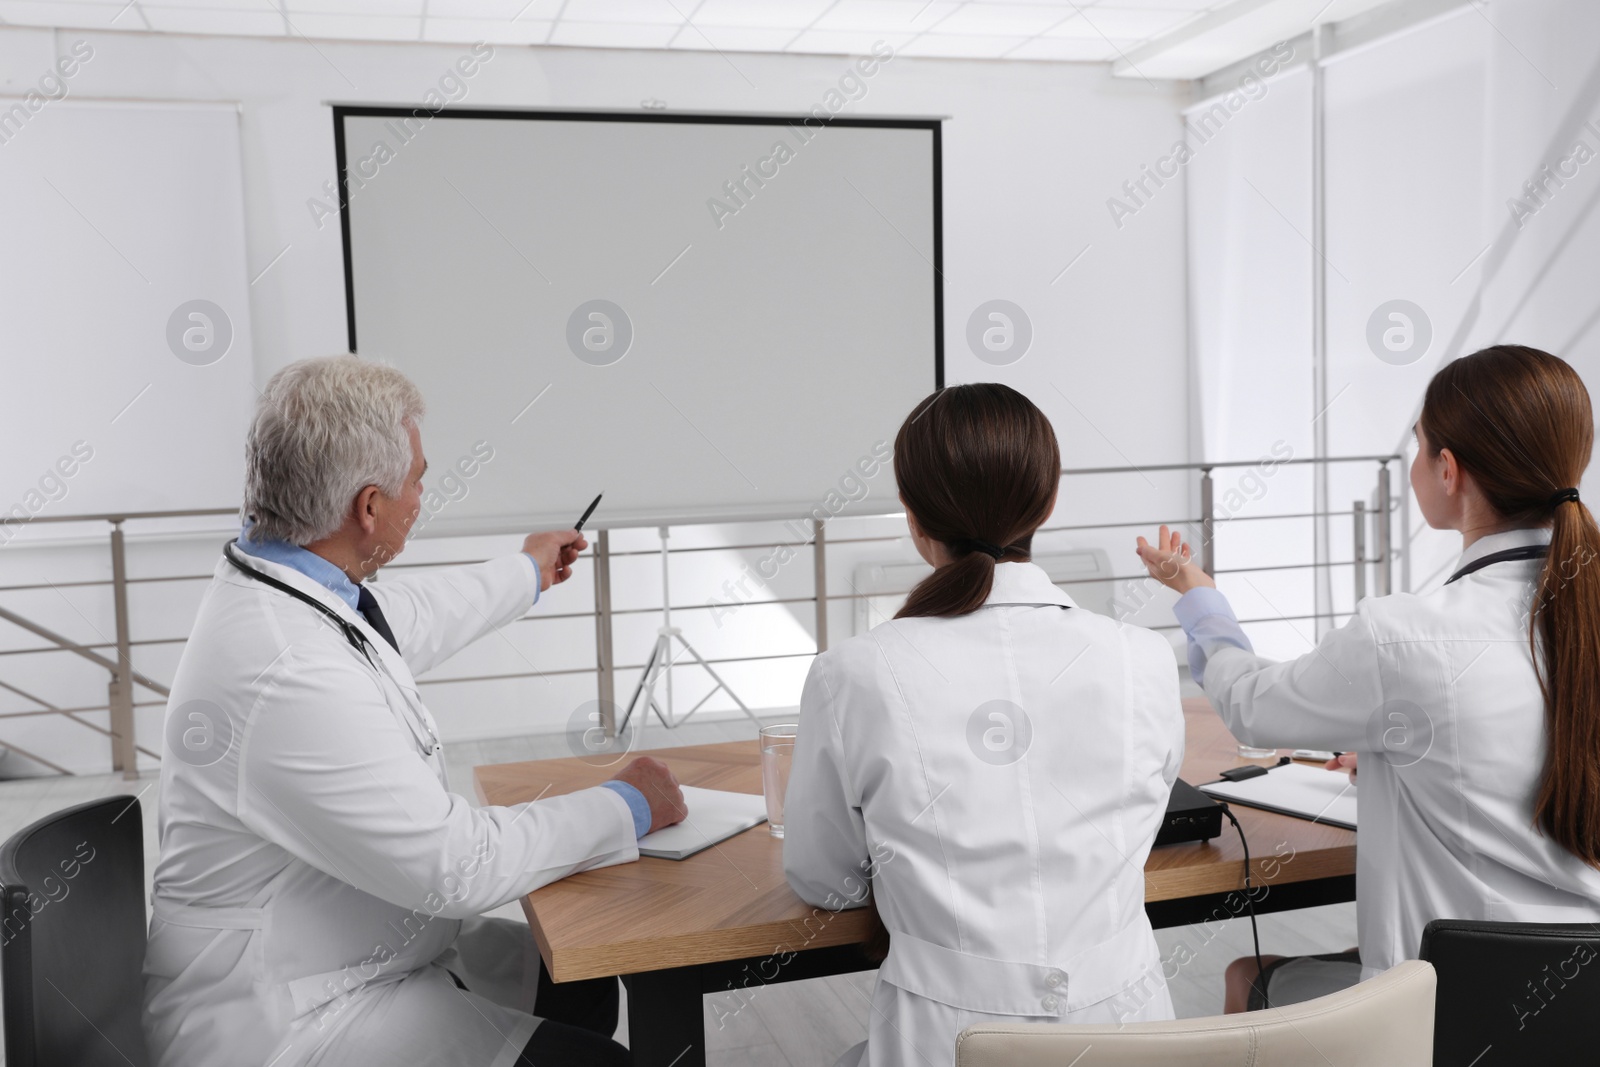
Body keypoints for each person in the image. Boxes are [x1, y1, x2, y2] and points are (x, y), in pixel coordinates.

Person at [143, 355, 688, 1067]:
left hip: (353, 944)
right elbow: (457, 864)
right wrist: (628, 804)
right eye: (419, 477)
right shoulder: (286, 669)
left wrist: (528, 569)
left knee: (578, 982)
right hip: (284, 1015)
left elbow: (407, 617)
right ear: (369, 507)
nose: (423, 493)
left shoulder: (289, 580)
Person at [1135, 344, 1600, 1012]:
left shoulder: (1407, 636)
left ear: (1447, 469)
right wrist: (1398, 756)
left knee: (1248, 977)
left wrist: (1199, 596)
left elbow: (1251, 705)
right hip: (1580, 1004)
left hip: (1456, 1009)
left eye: (1418, 448)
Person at [783, 383, 1186, 1067]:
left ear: (913, 517)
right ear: (1049, 502)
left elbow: (824, 879)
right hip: (1130, 1036)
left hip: (945, 1045)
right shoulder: (1145, 658)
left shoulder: (854, 672)